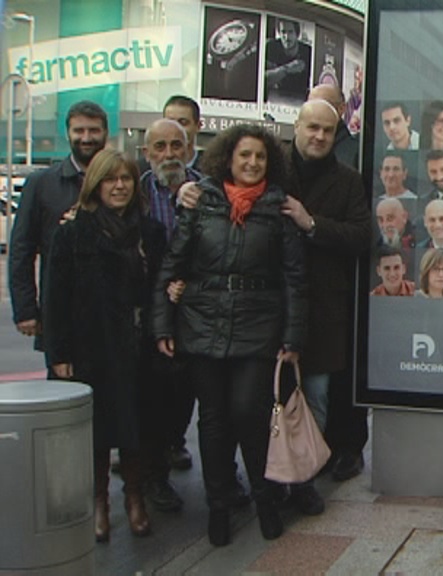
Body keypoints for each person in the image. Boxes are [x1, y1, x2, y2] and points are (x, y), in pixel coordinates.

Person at [152, 125, 307, 547]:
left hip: (259, 325)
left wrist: (292, 337)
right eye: (244, 156)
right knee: (214, 419)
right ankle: (218, 506)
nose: (252, 163)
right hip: (202, 321)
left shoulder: (279, 209)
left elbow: (294, 277)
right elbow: (174, 264)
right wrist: (163, 323)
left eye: (260, 156)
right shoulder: (202, 202)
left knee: (248, 412)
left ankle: (264, 498)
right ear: (228, 159)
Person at [45, 150, 167, 543]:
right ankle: (99, 501)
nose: (119, 186)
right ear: (95, 185)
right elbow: (56, 298)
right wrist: (58, 354)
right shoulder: (72, 233)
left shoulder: (150, 233)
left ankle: (135, 497)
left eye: (126, 179)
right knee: (96, 430)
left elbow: (160, 288)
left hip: (137, 345)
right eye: (110, 179)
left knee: (139, 426)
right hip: (90, 347)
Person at [281, 98, 371, 510]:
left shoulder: (348, 180)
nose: (318, 136)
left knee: (315, 395)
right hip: (271, 307)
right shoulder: (272, 169)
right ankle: (268, 478)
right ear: (296, 126)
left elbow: (360, 236)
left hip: (323, 311)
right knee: (266, 399)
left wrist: (311, 223)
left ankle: (304, 479)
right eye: (311, 127)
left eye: (327, 130)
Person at [9, 100, 108, 364]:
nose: (86, 138)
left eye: (93, 130)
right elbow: (21, 249)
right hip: (61, 311)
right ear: (68, 134)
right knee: (65, 396)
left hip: (111, 313)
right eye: (79, 131)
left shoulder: (120, 180)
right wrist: (26, 309)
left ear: (105, 133)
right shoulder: (41, 184)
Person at [139, 118, 201, 513]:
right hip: (149, 311)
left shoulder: (207, 189)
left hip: (196, 309)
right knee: (153, 400)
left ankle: (173, 448)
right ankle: (153, 476)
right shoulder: (137, 192)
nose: (168, 155)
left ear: (189, 147)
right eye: (159, 147)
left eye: (175, 146)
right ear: (147, 154)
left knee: (186, 397)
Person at [308, 84, 359, 168]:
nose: (314, 111)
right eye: (309, 106)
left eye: (321, 105)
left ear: (341, 108)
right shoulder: (301, 146)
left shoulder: (354, 152)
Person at [265, 18, 312, 103]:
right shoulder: (271, 47)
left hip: (300, 99)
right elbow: (263, 79)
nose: (286, 37)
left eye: (290, 32)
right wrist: (287, 69)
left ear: (297, 34)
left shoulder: (308, 51)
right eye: (283, 32)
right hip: (274, 98)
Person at [163, 95, 203, 170]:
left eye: (183, 122)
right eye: (170, 123)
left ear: (198, 126)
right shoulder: (144, 170)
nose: (176, 128)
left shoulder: (212, 169)